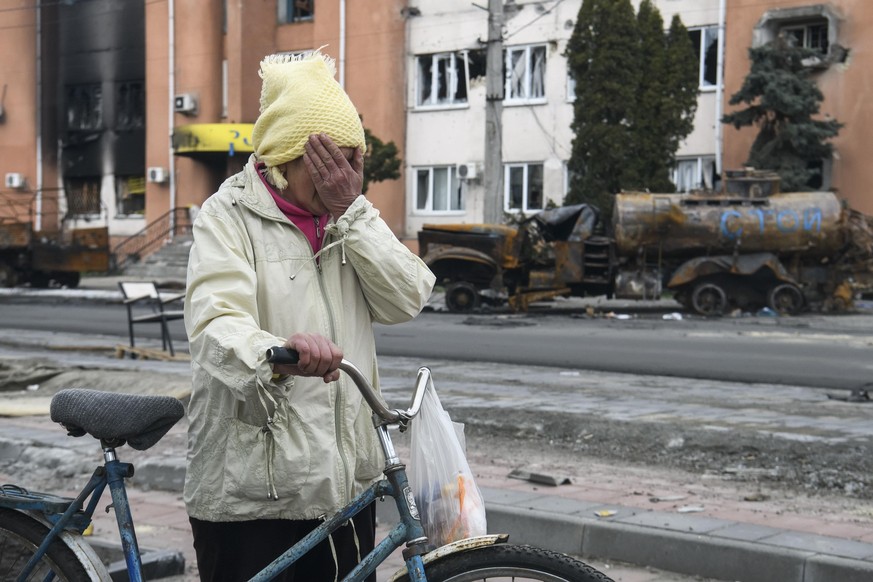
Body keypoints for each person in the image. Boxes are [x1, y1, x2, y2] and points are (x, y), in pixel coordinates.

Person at [183, 49, 436, 581]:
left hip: (346, 486)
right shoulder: (227, 216)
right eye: (325, 162)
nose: (338, 177)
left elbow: (407, 298)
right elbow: (214, 325)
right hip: (259, 489)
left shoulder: (349, 221)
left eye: (349, 160)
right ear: (282, 158)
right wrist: (275, 354)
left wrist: (356, 211)